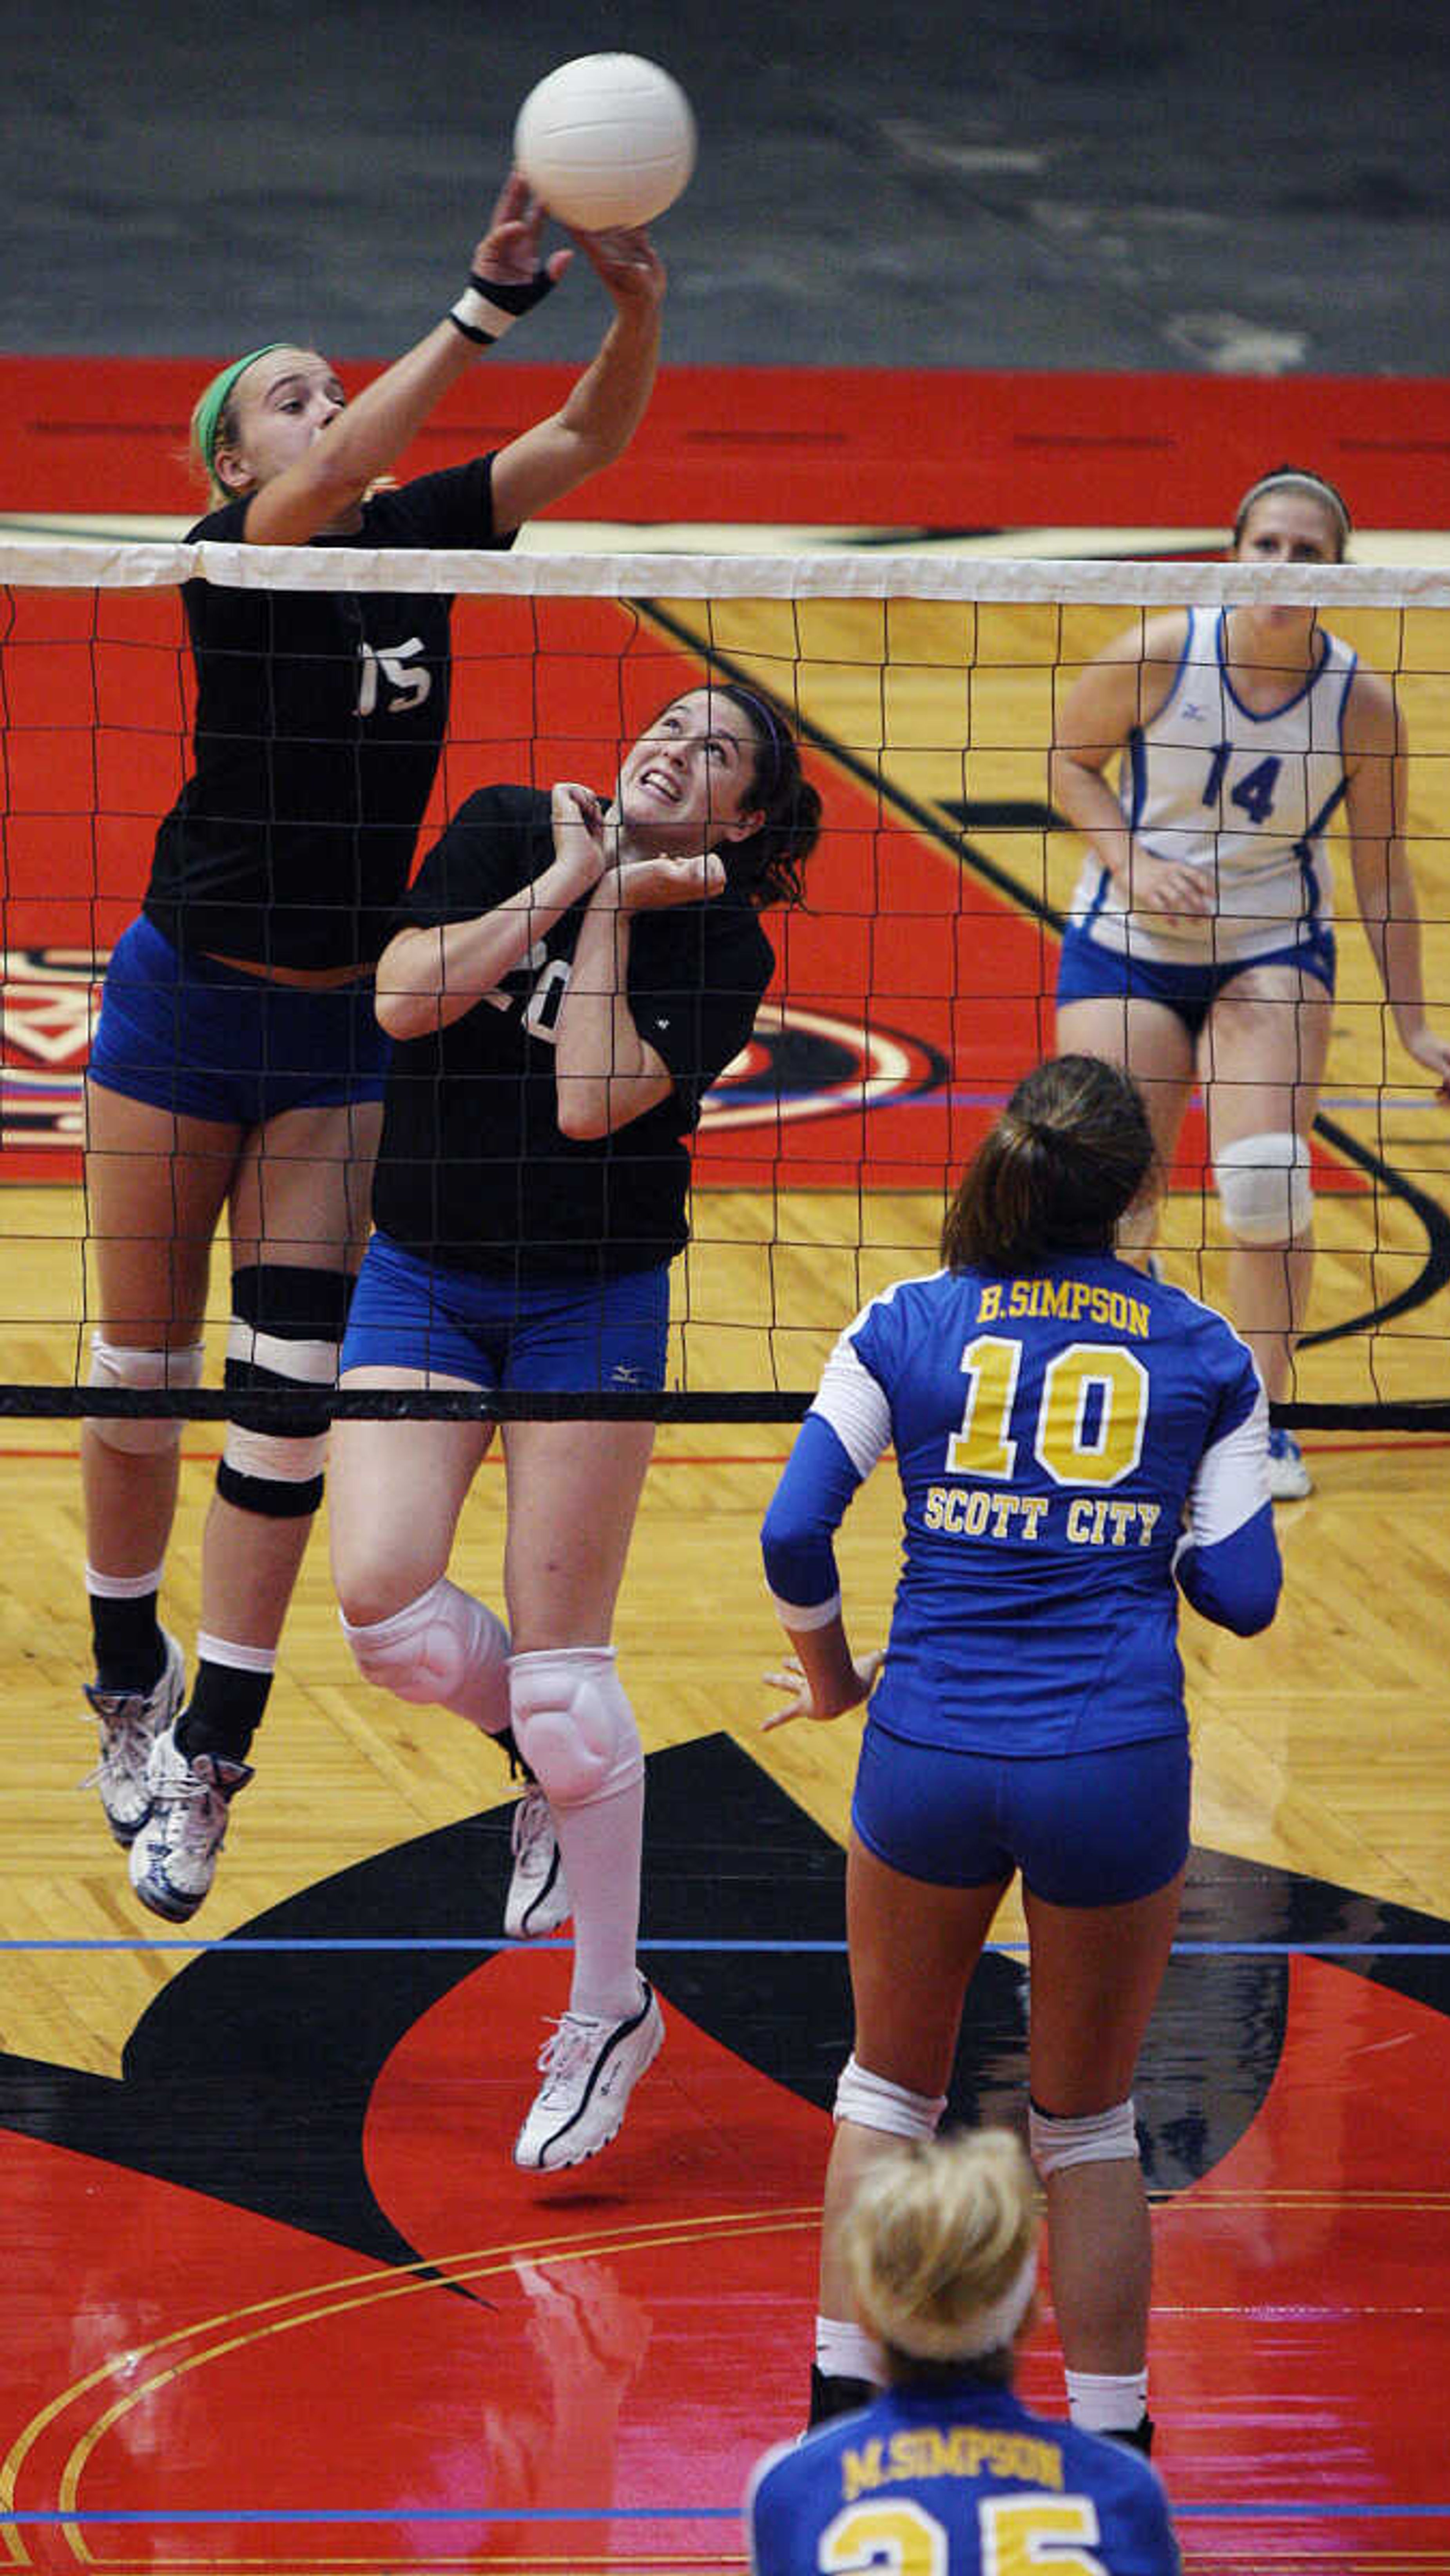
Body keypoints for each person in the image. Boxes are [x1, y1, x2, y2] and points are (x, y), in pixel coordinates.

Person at [77, 169, 666, 1923]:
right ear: (233, 466)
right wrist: (482, 302)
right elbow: (337, 479)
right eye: (290, 397)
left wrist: (631, 307)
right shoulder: (233, 555)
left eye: (334, 387)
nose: (324, 408)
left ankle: (213, 1761)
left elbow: (580, 444)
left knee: (287, 1395)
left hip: (345, 1023)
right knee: (136, 1368)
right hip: (189, 997)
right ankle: (128, 1680)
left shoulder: (413, 536)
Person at [326, 683, 821, 2170]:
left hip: (587, 1302)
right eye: (672, 717)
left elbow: (593, 1100)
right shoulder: (500, 826)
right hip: (420, 1272)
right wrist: (562, 874)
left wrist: (608, 911)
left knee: (566, 1675)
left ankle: (609, 2002)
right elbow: (405, 1000)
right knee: (384, 1613)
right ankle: (542, 1777)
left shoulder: (727, 942)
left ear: (740, 817)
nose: (678, 741)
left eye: (719, 747)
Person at [758, 1053, 1281, 2446]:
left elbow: (789, 1533)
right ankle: (1115, 2450)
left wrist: (830, 1682)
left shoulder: (906, 1320)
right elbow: (1247, 1594)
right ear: (1138, 1187)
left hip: (928, 1747)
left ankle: (837, 2424)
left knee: (886, 2086)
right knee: (1089, 2126)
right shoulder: (1207, 1350)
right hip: (1111, 1761)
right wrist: (1144, 1520)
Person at [1050, 464, 1450, 1500]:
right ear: (1234, 554)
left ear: (1341, 574)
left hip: (1273, 948)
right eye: (1267, 546)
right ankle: (1122, 1389)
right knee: (1116, 1193)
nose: (1283, 566)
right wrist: (1134, 861)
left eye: (1308, 552)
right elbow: (1068, 764)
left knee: (1268, 1177)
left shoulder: (1360, 703)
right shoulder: (1161, 652)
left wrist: (1415, 1025)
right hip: (1128, 943)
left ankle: (1259, 1424)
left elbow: (1380, 868)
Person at [745, 2128, 1182, 2575]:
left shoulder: (791, 2488)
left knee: (886, 2097)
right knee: (1090, 2130)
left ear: (865, 2314)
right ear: (1029, 2313)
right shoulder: (1125, 2487)